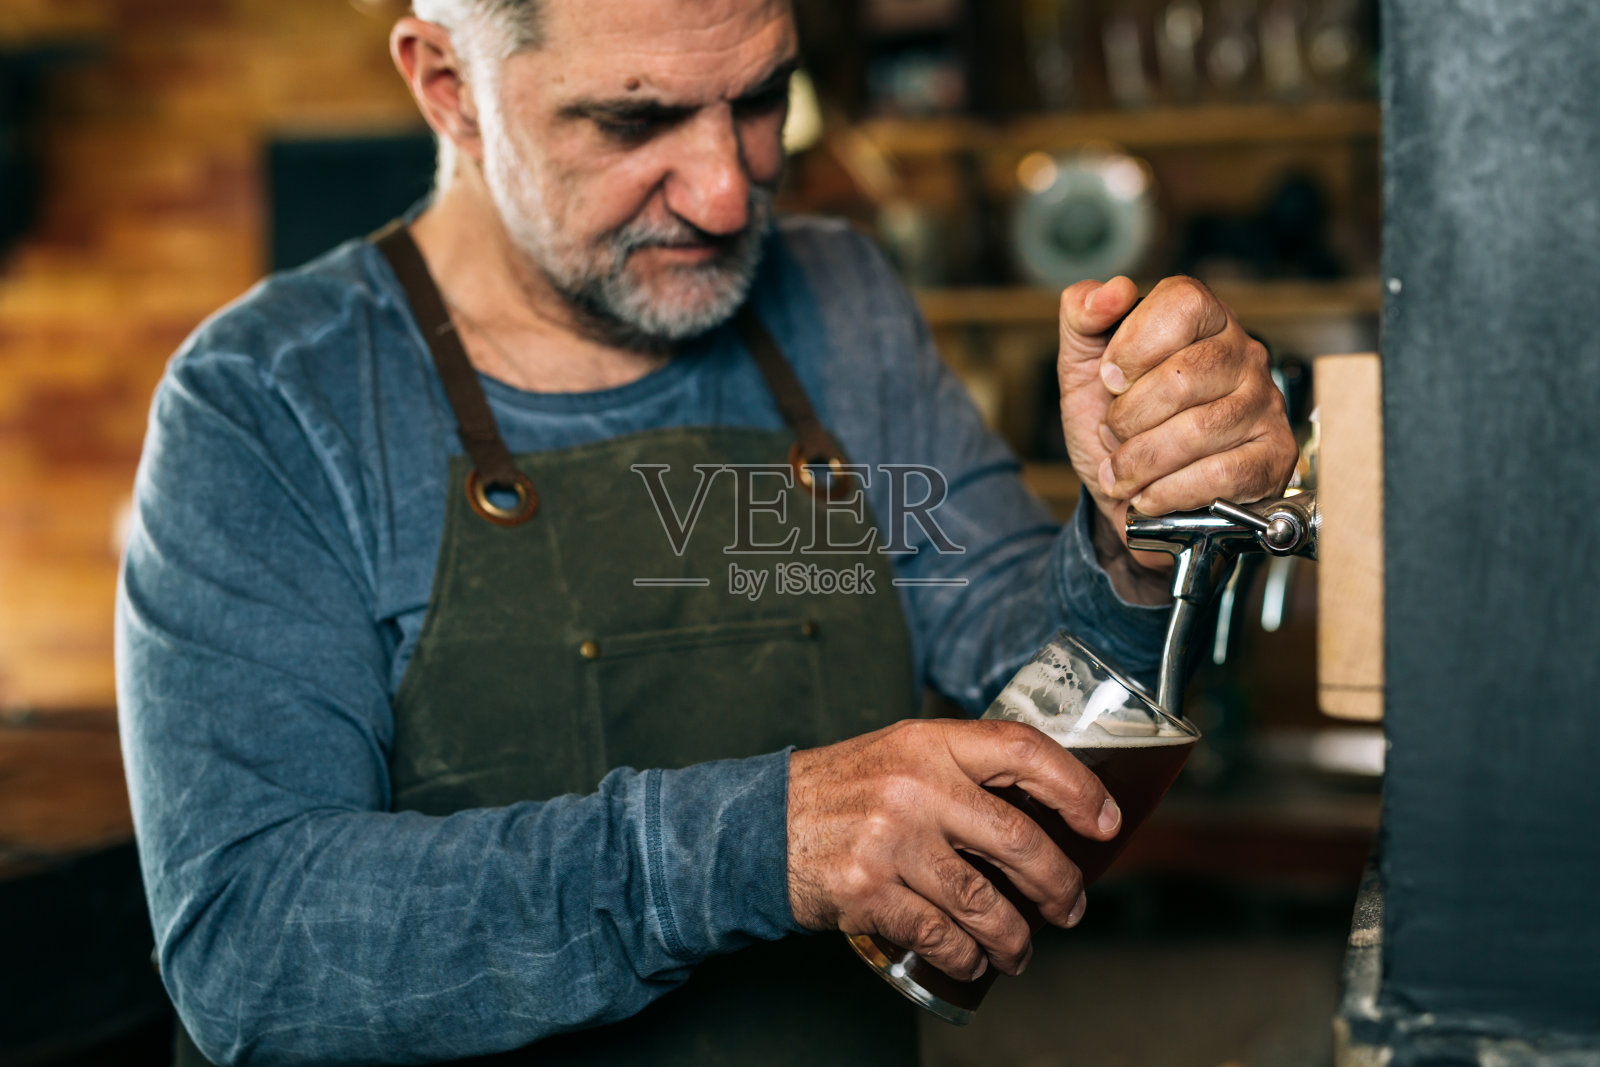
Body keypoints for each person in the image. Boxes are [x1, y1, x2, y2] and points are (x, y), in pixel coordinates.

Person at [115, 0, 1297, 1064]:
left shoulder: (838, 305)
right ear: (448, 88)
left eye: (762, 97)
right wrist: (745, 843)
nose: (728, 192)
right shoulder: (267, 399)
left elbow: (1040, 692)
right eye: (635, 122)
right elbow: (253, 951)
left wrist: (1143, 534)